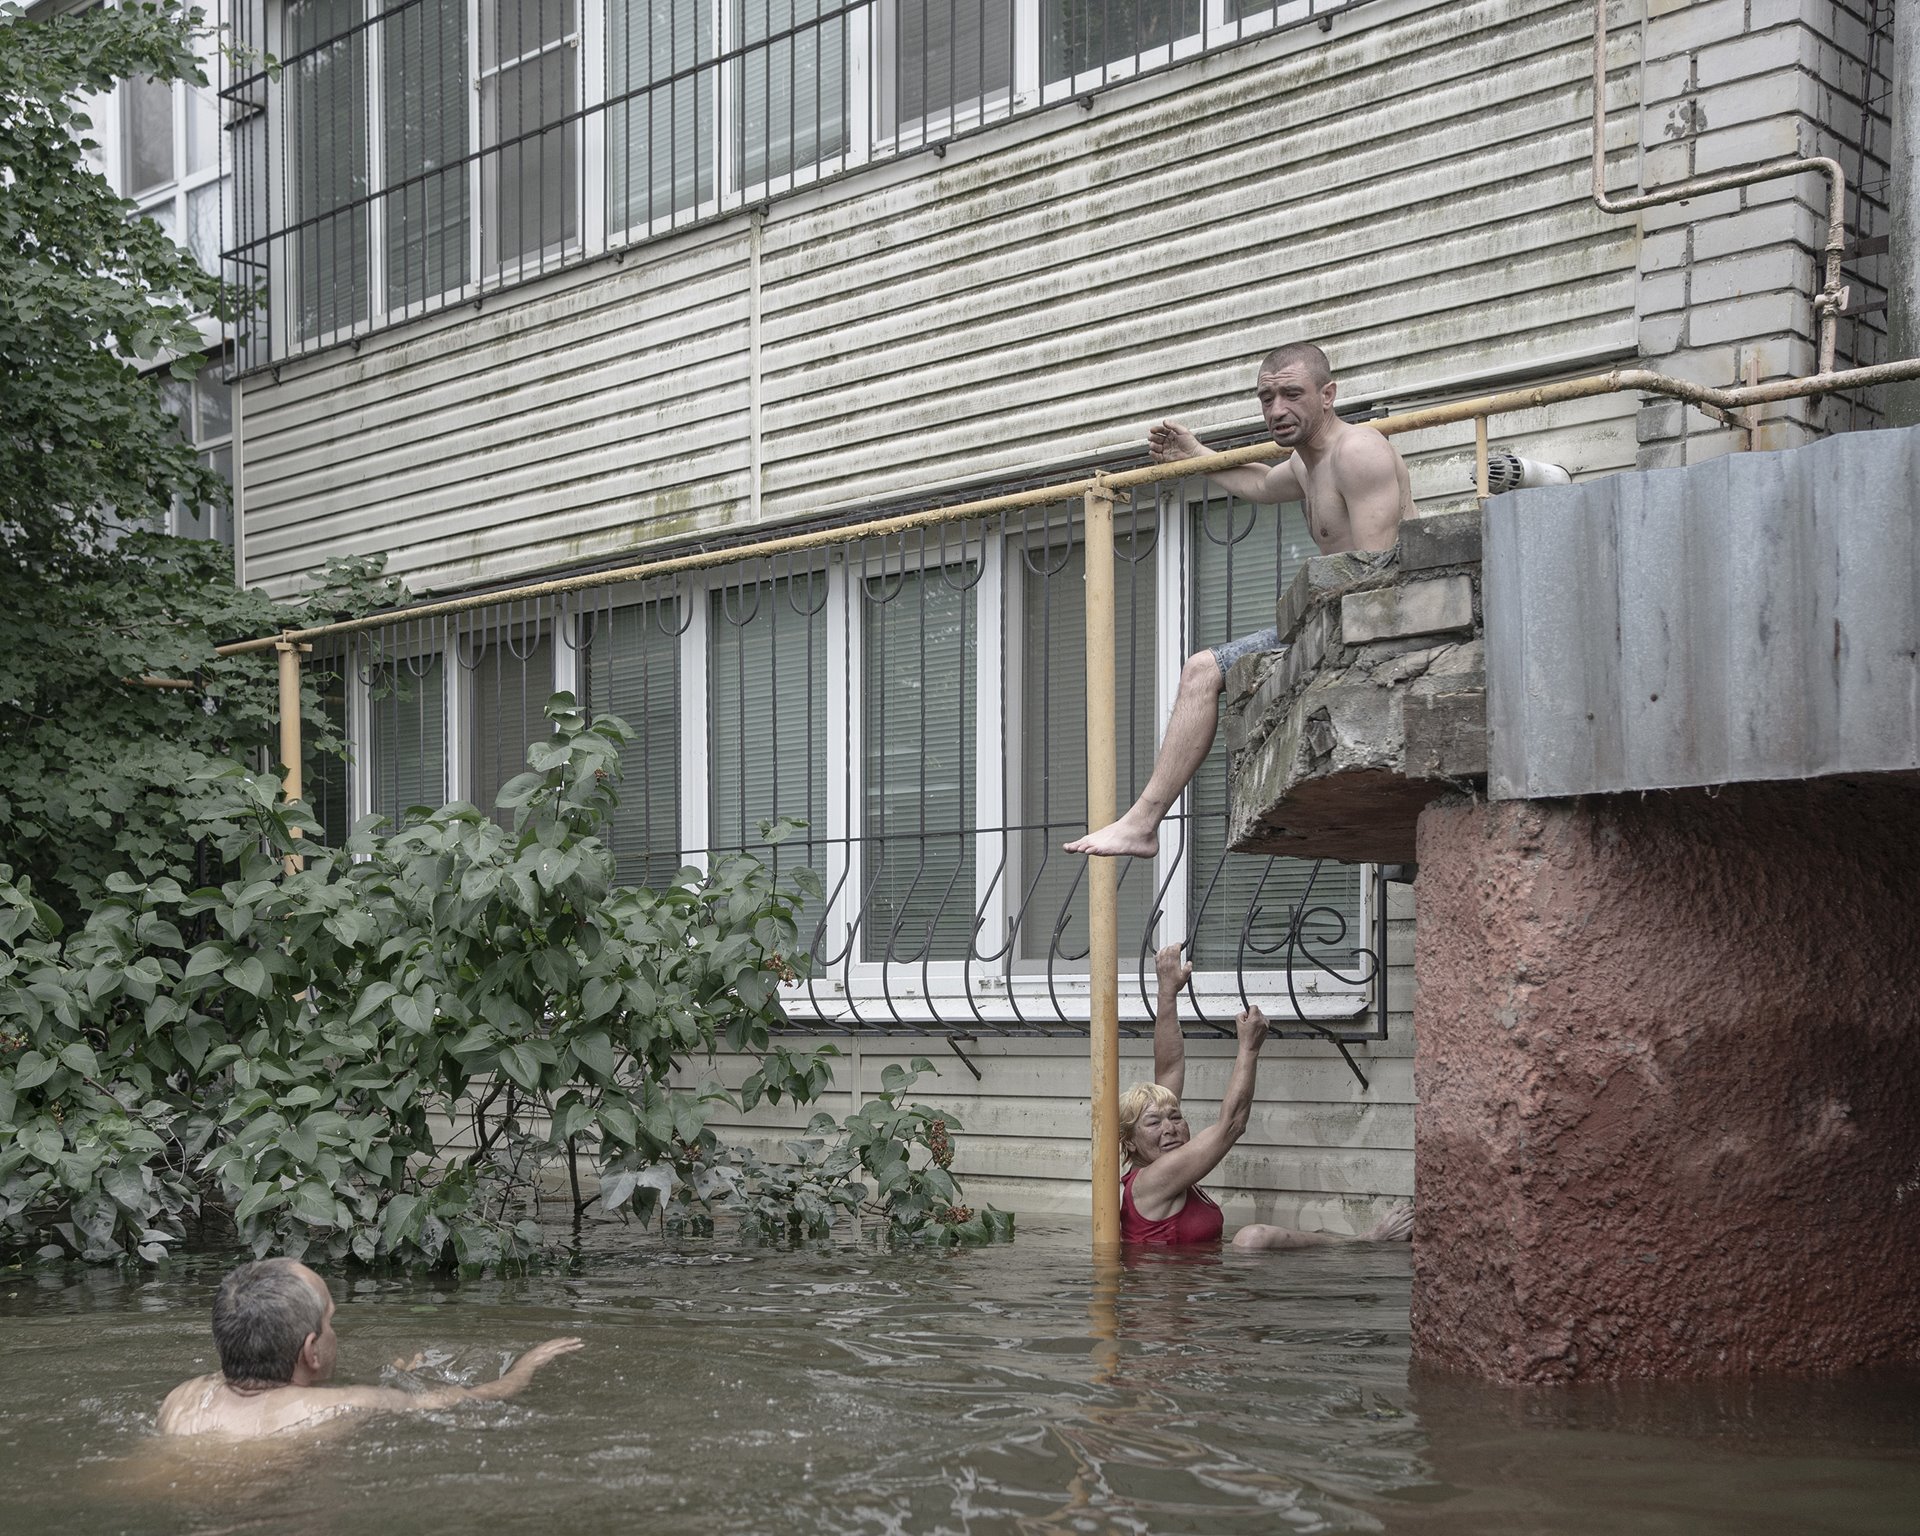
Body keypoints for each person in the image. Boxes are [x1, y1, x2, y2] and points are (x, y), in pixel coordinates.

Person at [1067, 342, 1415, 859]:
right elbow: (1258, 482)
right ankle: (1141, 825)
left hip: (1376, 622)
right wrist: (1196, 455)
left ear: (1328, 395)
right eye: (1266, 397)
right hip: (1330, 618)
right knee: (1202, 671)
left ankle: (1141, 822)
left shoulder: (1357, 451)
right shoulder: (1305, 465)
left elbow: (1375, 576)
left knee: (1207, 672)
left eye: (1292, 394)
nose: (1277, 410)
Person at [1122, 943, 1414, 1249]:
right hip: (1166, 1294)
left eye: (1176, 1116)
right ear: (1129, 1140)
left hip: (1196, 1286)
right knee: (1252, 1239)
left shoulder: (1166, 1168)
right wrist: (1249, 1049)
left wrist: (1167, 992)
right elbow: (1231, 1125)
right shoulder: (1151, 1180)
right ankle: (1361, 1243)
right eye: (1153, 1122)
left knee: (1252, 1238)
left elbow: (1168, 1070)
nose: (1170, 1128)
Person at [157, 1258, 583, 1438]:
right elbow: (471, 1400)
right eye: (330, 1321)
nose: (333, 1330)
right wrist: (526, 1365)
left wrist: (401, 1375)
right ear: (312, 1351)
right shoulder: (348, 1404)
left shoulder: (185, 1398)